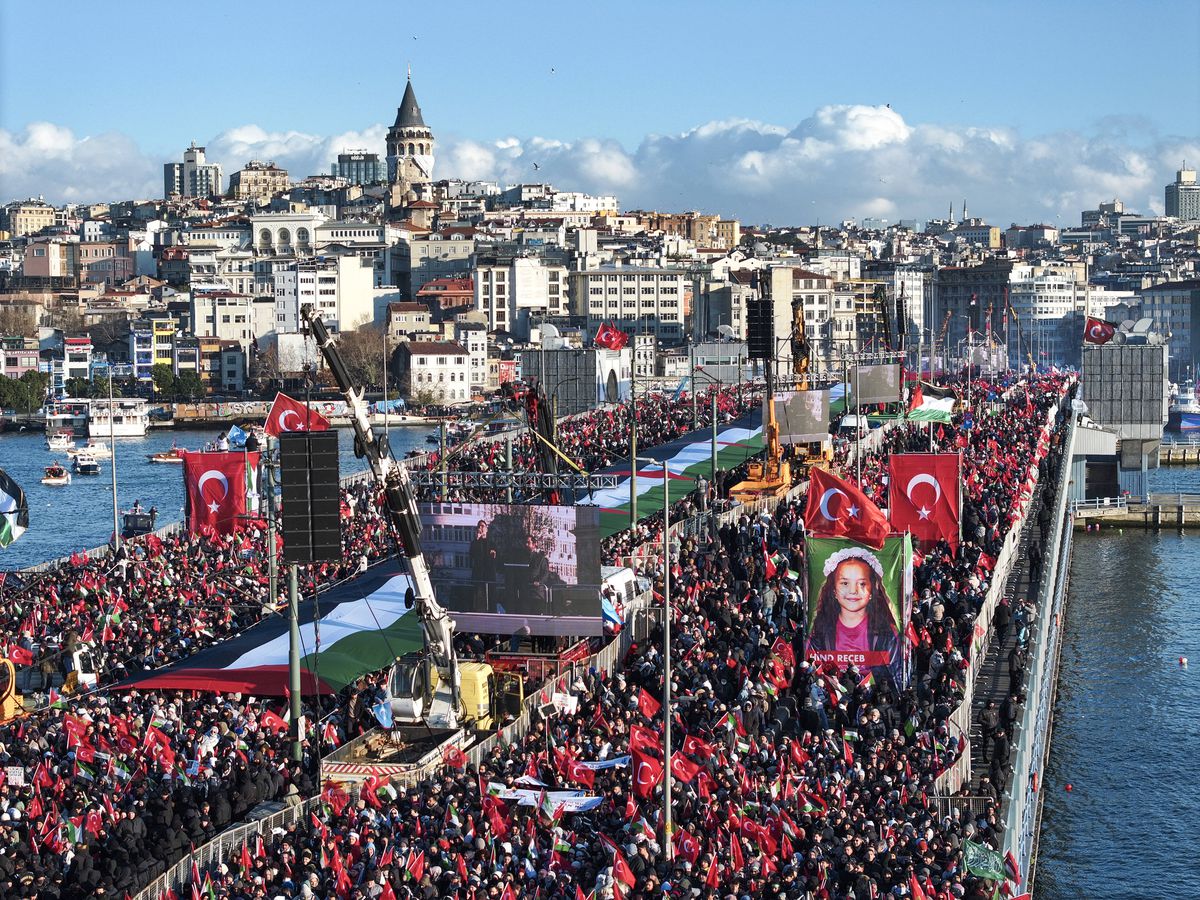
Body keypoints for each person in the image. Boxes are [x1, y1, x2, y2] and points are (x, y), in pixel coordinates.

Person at [807, 547, 901, 687]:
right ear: (834, 589)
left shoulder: (887, 633)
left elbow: (896, 674)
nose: (853, 591)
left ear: (871, 589)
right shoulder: (819, 631)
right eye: (845, 583)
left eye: (862, 584)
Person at [467, 520, 498, 612]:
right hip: (478, 573)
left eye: (483, 526)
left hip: (489, 573)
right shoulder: (474, 542)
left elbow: (497, 556)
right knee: (477, 595)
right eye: (479, 526)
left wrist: (494, 554)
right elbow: (472, 555)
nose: (481, 528)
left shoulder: (492, 542)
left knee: (490, 595)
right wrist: (477, 539)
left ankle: (492, 612)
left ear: (486, 529)